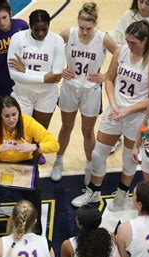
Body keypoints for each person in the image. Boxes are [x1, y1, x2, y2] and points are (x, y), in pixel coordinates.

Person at [72, 21, 149, 210]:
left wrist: (128, 110)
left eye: (133, 42)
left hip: (137, 117)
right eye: (127, 41)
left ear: (145, 41)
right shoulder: (121, 52)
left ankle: (122, 193)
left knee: (129, 159)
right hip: (115, 111)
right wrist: (113, 105)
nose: (129, 45)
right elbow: (109, 79)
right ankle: (93, 193)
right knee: (97, 154)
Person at [0, 96, 59, 243]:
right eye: (6, 116)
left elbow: (54, 144)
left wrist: (35, 147)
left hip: (23, 163)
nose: (11, 119)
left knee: (35, 195)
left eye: (14, 114)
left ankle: (37, 235)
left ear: (19, 112)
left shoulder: (28, 122)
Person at [51, 2, 118, 183]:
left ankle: (90, 165)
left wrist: (107, 75)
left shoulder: (103, 38)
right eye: (82, 27)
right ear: (77, 23)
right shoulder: (68, 33)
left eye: (88, 28)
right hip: (70, 87)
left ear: (95, 25)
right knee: (66, 127)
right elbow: (50, 49)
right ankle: (58, 161)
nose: (85, 31)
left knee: (87, 131)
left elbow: (121, 53)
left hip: (91, 90)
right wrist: (59, 69)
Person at [7, 9, 65, 149]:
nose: (40, 34)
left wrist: (25, 71)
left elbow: (56, 74)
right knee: (20, 131)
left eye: (44, 30)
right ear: (30, 26)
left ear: (49, 26)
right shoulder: (18, 38)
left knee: (39, 133)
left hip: (46, 95)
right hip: (23, 93)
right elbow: (13, 74)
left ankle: (34, 158)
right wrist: (45, 77)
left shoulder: (57, 41)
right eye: (36, 30)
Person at [0, 0, 29, 106]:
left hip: (23, 81)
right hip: (3, 85)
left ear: (10, 14)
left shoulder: (22, 26)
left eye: (4, 17)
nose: (2, 22)